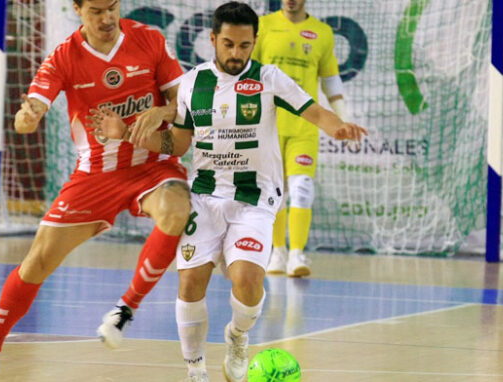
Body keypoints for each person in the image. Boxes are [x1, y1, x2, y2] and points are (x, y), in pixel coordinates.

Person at [88, 2, 366, 381]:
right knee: (190, 281)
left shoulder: (270, 79)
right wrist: (128, 135)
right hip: (203, 196)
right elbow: (179, 143)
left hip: (254, 199)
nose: (236, 54)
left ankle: (237, 336)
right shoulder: (191, 83)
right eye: (229, 45)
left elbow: (314, 111)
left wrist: (339, 126)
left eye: (245, 46)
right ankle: (196, 369)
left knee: (249, 281)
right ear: (213, 39)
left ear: (255, 42)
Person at [0, 0, 191, 381]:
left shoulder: (148, 39)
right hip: (95, 175)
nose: (107, 18)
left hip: (152, 165)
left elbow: (186, 102)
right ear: (77, 9)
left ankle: (124, 309)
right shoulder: (64, 56)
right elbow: (26, 116)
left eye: (112, 7)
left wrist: (163, 113)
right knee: (37, 262)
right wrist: (27, 116)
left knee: (178, 209)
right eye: (96, 10)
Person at [252, 0, 348, 277]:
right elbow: (249, 70)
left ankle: (297, 254)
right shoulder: (264, 25)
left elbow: (331, 80)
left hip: (304, 126)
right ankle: (277, 252)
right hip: (268, 124)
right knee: (273, 193)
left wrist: (343, 119)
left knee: (302, 187)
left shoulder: (322, 32)